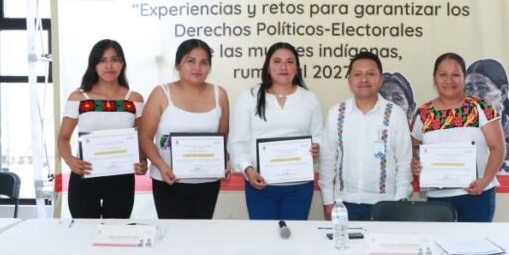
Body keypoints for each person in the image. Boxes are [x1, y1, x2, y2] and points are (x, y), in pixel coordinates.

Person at [228, 42, 323, 220]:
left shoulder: (309, 99)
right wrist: (248, 170)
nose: (283, 67)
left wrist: (318, 147)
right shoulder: (249, 97)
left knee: (295, 234)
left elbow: (319, 135)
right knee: (263, 236)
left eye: (289, 62)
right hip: (260, 183)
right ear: (268, 67)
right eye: (277, 61)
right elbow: (236, 142)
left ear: (297, 68)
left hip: (299, 186)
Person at [138, 39, 230, 219]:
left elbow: (223, 137)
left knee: (200, 233)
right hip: (168, 181)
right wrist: (161, 166)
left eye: (204, 62)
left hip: (208, 182)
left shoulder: (220, 94)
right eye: (191, 61)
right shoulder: (161, 93)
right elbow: (145, 137)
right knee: (172, 234)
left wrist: (225, 160)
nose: (197, 67)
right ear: (178, 64)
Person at [57, 39, 147, 219]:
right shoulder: (78, 97)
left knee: (116, 232)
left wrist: (143, 161)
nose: (109, 66)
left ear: (122, 63)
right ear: (93, 64)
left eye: (115, 59)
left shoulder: (134, 99)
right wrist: (70, 160)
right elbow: (63, 138)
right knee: (84, 232)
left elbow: (141, 138)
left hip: (121, 178)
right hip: (84, 175)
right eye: (102, 60)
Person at [411, 52, 505, 222]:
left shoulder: (481, 108)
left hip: (476, 195)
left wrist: (485, 181)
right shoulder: (424, 113)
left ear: (464, 78)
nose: (449, 80)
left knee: (475, 240)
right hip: (437, 198)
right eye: (443, 75)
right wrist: (416, 162)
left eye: (455, 74)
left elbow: (498, 148)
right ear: (434, 79)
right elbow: (414, 146)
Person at [319, 52, 413, 221]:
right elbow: (327, 161)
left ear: (381, 79)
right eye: (357, 74)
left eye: (370, 74)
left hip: (385, 205)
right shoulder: (337, 113)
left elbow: (404, 163)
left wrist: (399, 203)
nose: (364, 79)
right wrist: (328, 201)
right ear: (349, 80)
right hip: (344, 203)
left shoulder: (396, 114)